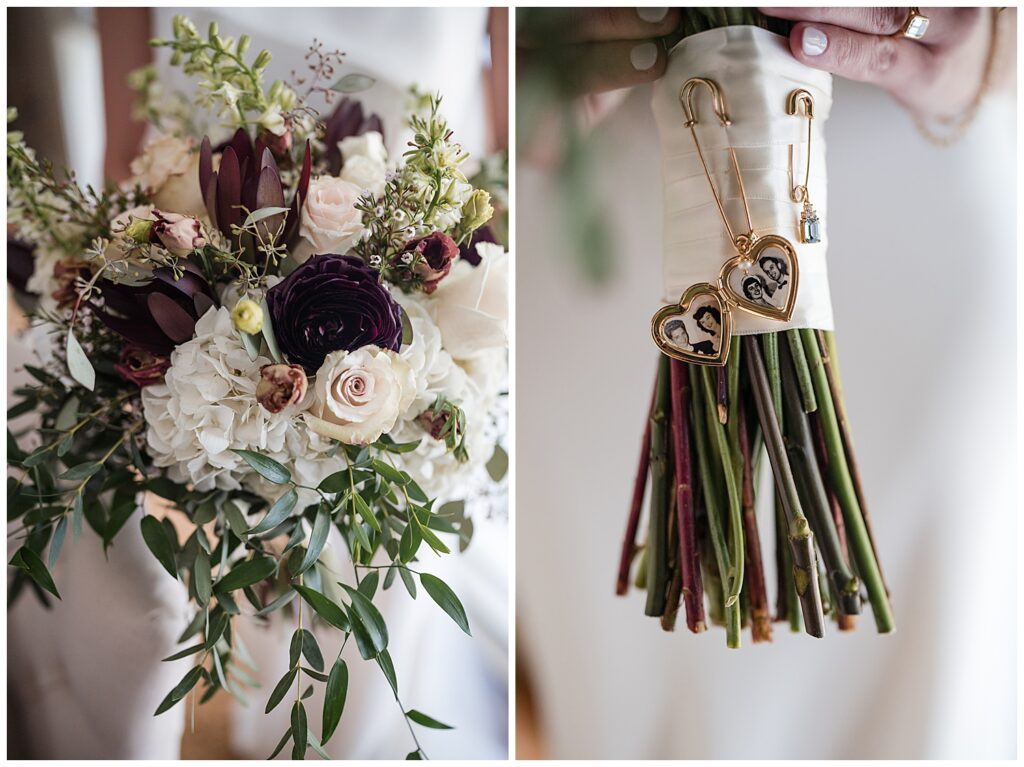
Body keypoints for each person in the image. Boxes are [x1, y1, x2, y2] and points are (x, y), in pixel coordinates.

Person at [9, 7, 509, 761]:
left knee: (371, 565)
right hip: (192, 213)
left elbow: (502, 138)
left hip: (408, 234)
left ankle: (331, 738)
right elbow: (125, 118)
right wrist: (129, 245)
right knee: (92, 517)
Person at [516, 6, 1016, 761]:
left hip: (909, 177)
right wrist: (507, 63)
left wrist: (1001, 39)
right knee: (627, 688)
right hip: (593, 208)